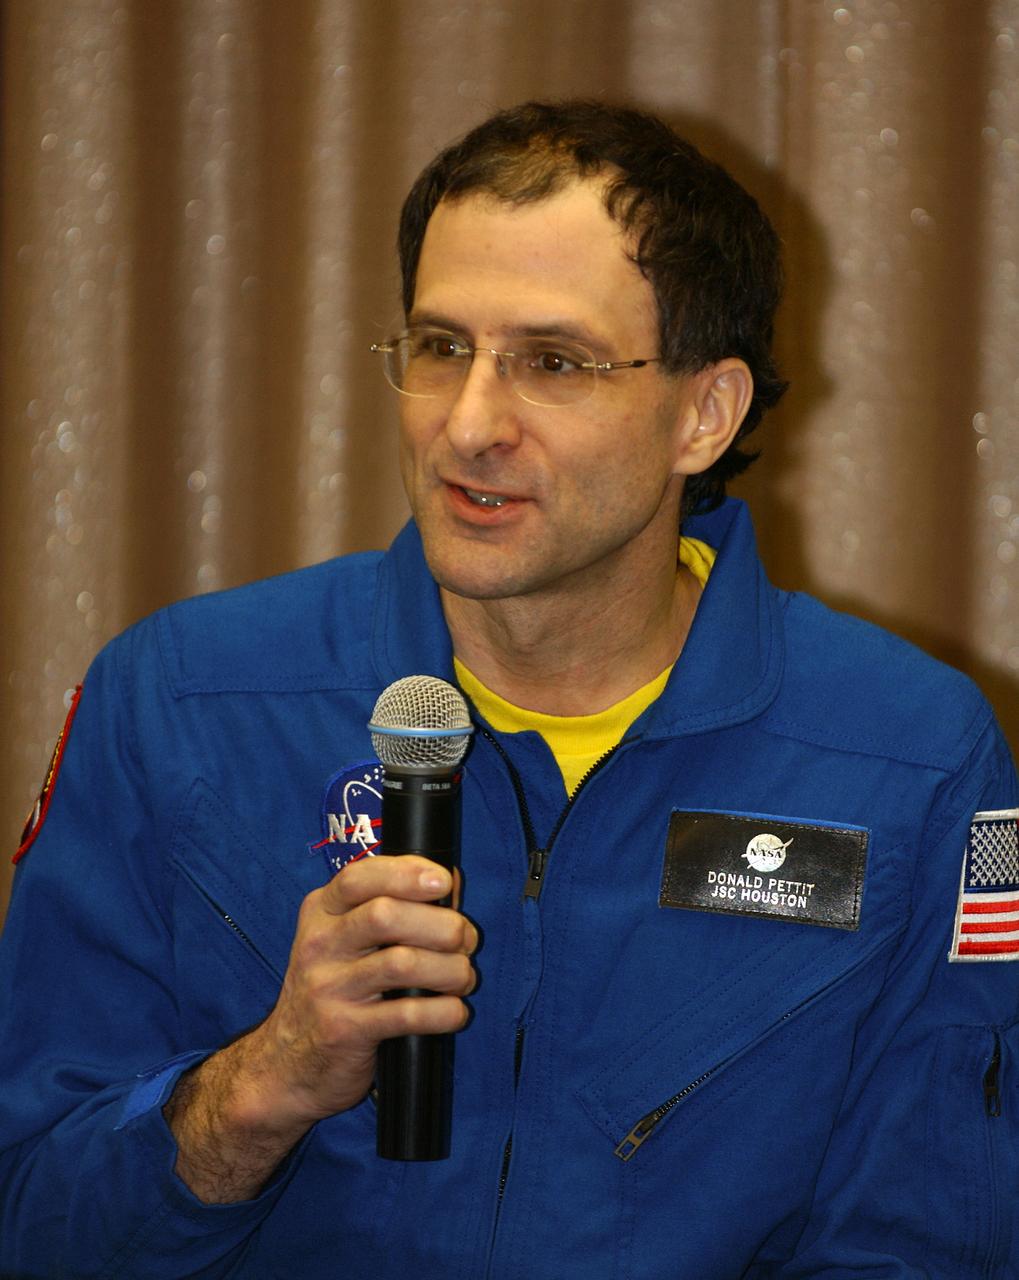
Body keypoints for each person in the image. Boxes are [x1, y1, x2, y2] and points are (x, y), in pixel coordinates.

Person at [1, 100, 1016, 1279]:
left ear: (704, 412)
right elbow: (29, 1213)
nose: (469, 425)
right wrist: (261, 1083)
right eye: (438, 348)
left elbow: (930, 1242)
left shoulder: (909, 757)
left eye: (552, 363)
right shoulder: (177, 703)